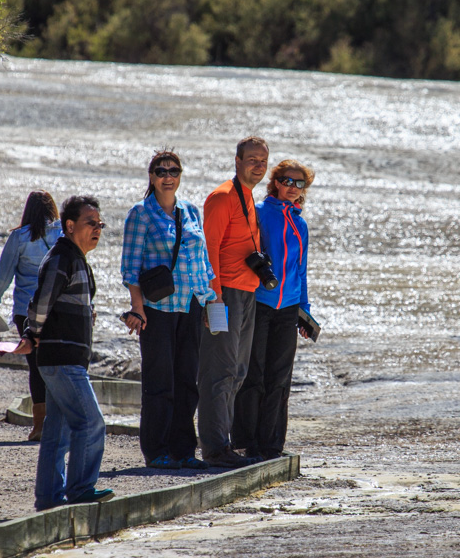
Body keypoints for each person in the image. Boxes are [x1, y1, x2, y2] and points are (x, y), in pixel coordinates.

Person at [14, 195, 115, 510]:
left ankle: (48, 499)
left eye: (100, 224)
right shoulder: (62, 257)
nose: (97, 229)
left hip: (64, 360)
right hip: (62, 360)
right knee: (91, 422)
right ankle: (81, 489)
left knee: (56, 436)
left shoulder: (75, 257)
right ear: (70, 226)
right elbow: (41, 302)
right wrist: (33, 333)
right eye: (90, 223)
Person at [119, 151, 215, 470]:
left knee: (188, 380)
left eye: (174, 170)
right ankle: (157, 451)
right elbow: (130, 268)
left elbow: (202, 262)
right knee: (160, 381)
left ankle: (184, 450)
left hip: (191, 304)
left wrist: (210, 300)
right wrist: (138, 308)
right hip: (157, 308)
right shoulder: (140, 214)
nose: (168, 176)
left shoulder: (190, 211)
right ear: (151, 177)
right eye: (161, 171)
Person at [233, 160, 315, 460]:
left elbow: (301, 270)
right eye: (287, 181)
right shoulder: (259, 213)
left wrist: (304, 312)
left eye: (299, 183)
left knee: (280, 379)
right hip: (259, 304)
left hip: (289, 309)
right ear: (275, 182)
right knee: (253, 375)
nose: (293, 188)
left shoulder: (301, 224)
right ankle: (245, 442)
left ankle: (272, 445)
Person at [196, 136, 270, 468]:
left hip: (247, 292)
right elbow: (207, 250)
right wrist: (213, 298)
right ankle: (214, 450)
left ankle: (222, 443)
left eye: (263, 161)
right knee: (219, 371)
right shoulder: (222, 197)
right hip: (224, 293)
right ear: (237, 161)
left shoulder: (248, 197)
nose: (258, 165)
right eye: (252, 159)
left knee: (238, 371)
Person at [0, 191, 62, 441]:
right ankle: (59, 422)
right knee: (57, 364)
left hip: (26, 311)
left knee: (35, 366)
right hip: (58, 309)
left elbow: (4, 273)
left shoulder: (19, 237)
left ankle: (40, 425)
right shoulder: (64, 233)